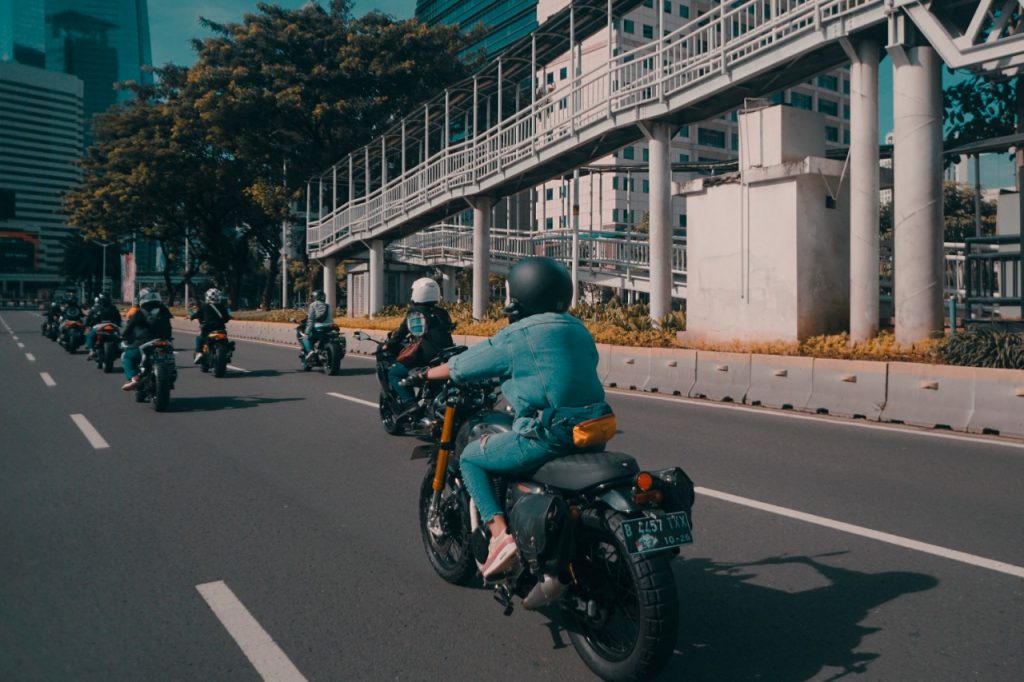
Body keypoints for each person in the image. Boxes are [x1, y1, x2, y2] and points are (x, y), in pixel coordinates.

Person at [420, 257, 612, 578]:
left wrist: (425, 374)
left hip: (550, 433)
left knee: (470, 458)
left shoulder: (518, 334)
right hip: (595, 428)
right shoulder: (578, 328)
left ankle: (499, 535)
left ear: (521, 295)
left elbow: (463, 366)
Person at [384, 277, 455, 411]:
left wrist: (388, 344)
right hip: (445, 356)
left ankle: (410, 404)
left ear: (417, 292)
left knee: (394, 373)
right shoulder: (442, 312)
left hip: (426, 358)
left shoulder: (415, 312)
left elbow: (401, 333)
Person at [120, 288, 173, 391]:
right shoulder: (164, 311)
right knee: (170, 358)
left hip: (143, 343)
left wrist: (122, 336)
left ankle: (133, 378)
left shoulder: (139, 313)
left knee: (127, 357)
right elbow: (169, 327)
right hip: (164, 341)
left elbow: (128, 329)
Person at [189, 288, 232, 364]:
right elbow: (226, 319)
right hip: (220, 328)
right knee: (226, 340)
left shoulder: (205, 307)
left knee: (199, 338)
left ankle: (199, 353)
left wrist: (191, 317)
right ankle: (228, 352)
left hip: (208, 328)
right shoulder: (222, 307)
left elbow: (197, 314)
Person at [84, 292, 122, 360]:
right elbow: (118, 318)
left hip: (99, 327)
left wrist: (88, 325)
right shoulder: (113, 308)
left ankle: (92, 351)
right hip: (112, 326)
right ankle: (119, 348)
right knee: (119, 337)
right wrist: (118, 324)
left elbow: (89, 318)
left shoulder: (96, 308)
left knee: (89, 336)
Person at [299, 290, 331, 360]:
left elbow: (310, 320)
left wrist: (307, 333)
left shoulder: (313, 305)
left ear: (315, 297)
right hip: (329, 327)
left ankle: (310, 351)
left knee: (305, 338)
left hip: (318, 328)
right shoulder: (327, 305)